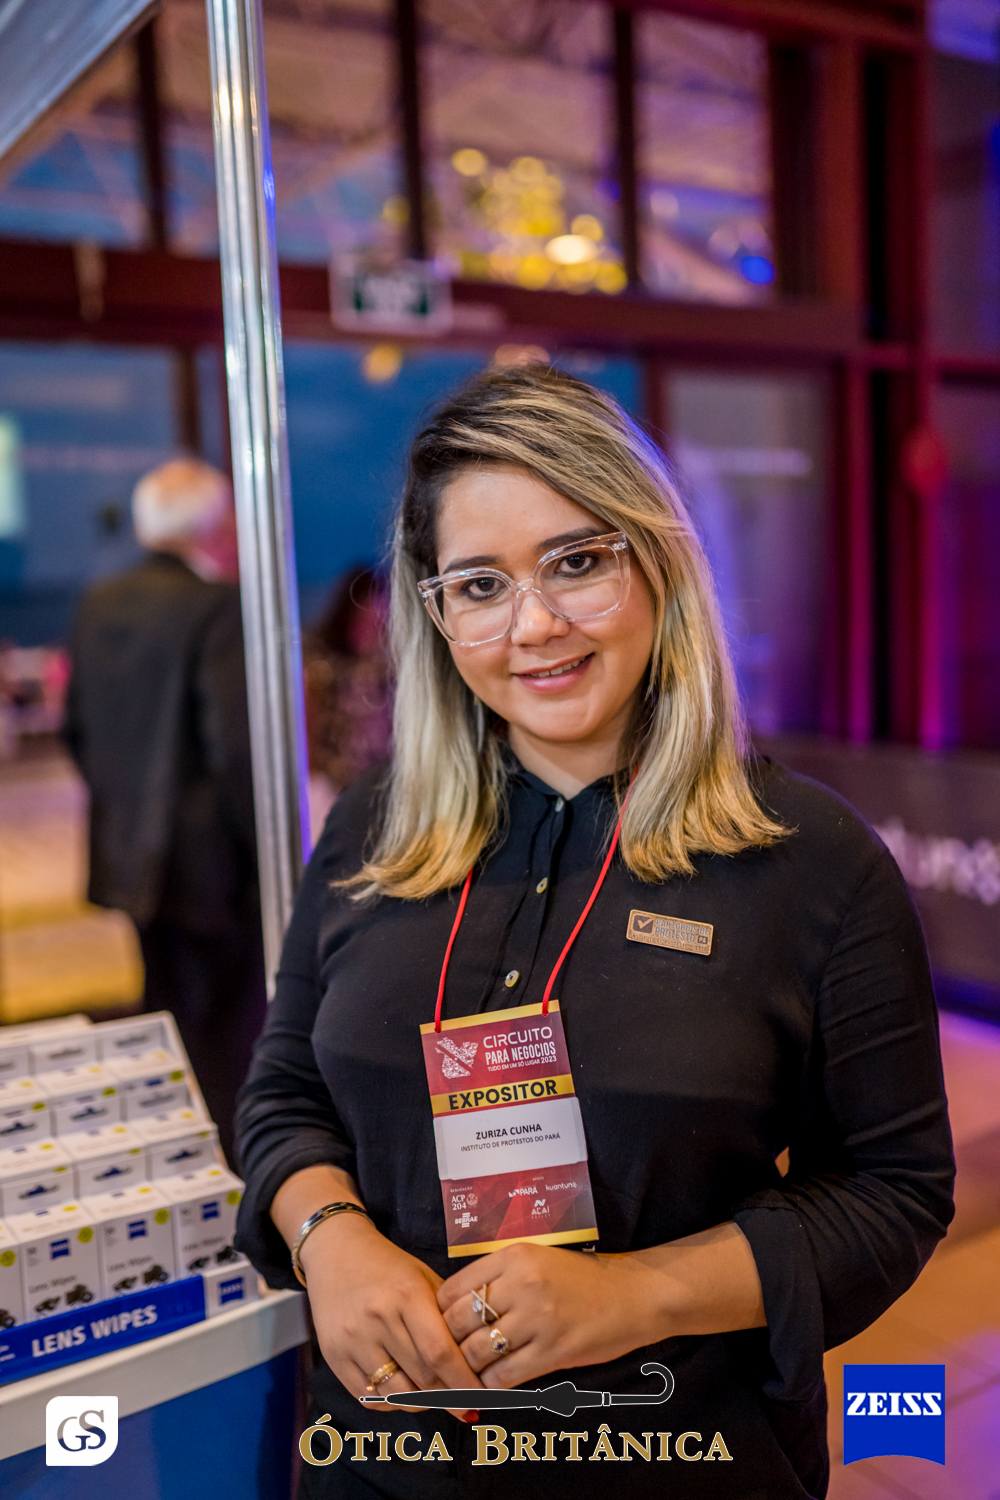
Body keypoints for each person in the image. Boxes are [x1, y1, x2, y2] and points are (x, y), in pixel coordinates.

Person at [234, 367, 954, 1498]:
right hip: (377, 1462)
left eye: (576, 562)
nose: (534, 626)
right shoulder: (377, 826)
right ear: (434, 614)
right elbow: (281, 1089)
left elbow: (891, 1194)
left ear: (655, 562)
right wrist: (333, 1239)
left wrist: (639, 1293)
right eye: (479, 585)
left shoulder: (811, 861)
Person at [65, 458, 264, 1163]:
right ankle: (237, 1180)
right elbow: (239, 749)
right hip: (215, 868)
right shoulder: (219, 607)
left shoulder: (98, 604)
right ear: (212, 525)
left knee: (166, 1020)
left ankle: (175, 1170)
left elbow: (78, 730)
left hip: (131, 860)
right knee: (234, 1042)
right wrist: (275, 852)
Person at [302, 566, 392, 828]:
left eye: (382, 624)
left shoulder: (395, 675)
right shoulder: (321, 669)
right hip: (333, 794)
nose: (373, 634)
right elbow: (306, 732)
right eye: (366, 623)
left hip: (385, 791)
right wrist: (318, 788)